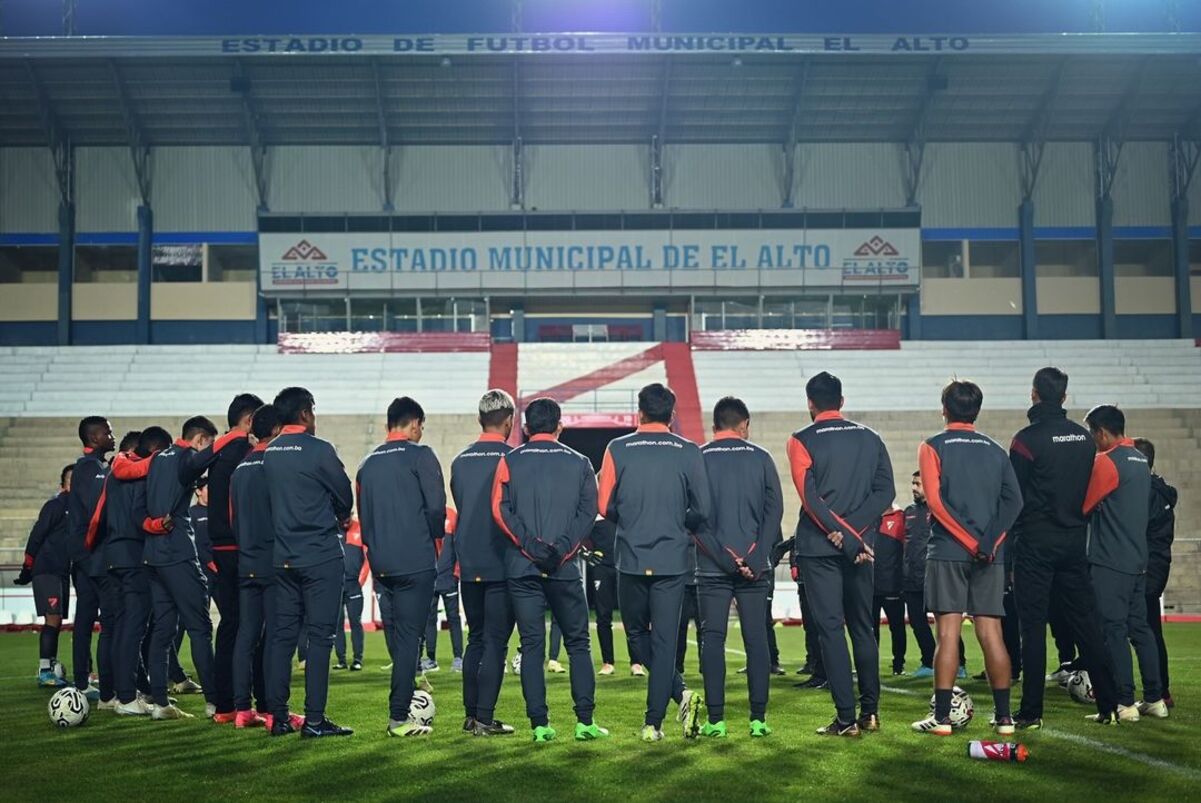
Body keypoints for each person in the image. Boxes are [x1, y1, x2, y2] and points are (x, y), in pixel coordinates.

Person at [598, 383, 710, 742]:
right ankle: (658, 719)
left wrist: (631, 518)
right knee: (664, 641)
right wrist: (677, 523)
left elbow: (604, 506)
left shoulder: (617, 447)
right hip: (673, 559)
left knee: (635, 635)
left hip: (630, 556)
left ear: (640, 413)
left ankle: (662, 713)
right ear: (672, 415)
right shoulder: (689, 450)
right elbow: (703, 510)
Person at [1008, 367, 1119, 729]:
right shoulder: (1083, 439)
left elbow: (1016, 498)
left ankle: (1031, 713)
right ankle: (1109, 705)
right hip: (1074, 543)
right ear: (1065, 397)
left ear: (1034, 394)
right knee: (1088, 626)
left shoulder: (1025, 440)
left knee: (1033, 628)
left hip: (1036, 544)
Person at [911, 380, 1022, 737]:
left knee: (947, 634)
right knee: (992, 633)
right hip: (990, 554)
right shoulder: (995, 449)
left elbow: (935, 502)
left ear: (945, 408)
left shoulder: (932, 446)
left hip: (947, 551)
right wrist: (988, 543)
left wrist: (968, 541)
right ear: (977, 409)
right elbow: (1014, 504)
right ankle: (1004, 718)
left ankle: (942, 718)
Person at [492, 397, 606, 743]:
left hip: (522, 566)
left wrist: (531, 546)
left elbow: (500, 510)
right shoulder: (581, 462)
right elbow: (589, 512)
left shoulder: (509, 459)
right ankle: (585, 722)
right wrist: (560, 550)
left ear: (526, 428)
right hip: (564, 568)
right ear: (560, 426)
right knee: (578, 645)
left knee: (531, 645)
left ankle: (540, 725)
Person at [786, 372, 894, 737]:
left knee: (831, 630)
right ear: (842, 401)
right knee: (863, 628)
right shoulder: (871, 438)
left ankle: (846, 719)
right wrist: (856, 535)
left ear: (810, 403)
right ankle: (871, 713)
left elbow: (810, 500)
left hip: (820, 548)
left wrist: (843, 536)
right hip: (862, 548)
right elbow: (885, 493)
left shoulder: (801, 440)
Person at [263, 387, 355, 738]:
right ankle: (314, 721)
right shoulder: (319, 450)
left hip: (283, 557)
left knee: (282, 638)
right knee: (320, 638)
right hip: (319, 555)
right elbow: (344, 494)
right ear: (305, 413)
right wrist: (339, 515)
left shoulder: (270, 453)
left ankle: (280, 718)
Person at [693, 396, 783, 739]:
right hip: (754, 567)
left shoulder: (697, 457)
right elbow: (772, 513)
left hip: (713, 566)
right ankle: (757, 719)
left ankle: (716, 720)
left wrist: (726, 559)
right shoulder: (761, 457)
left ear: (715, 424)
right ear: (743, 424)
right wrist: (756, 558)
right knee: (756, 640)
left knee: (712, 639)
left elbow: (694, 521)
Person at [143, 416, 242, 720]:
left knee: (162, 629)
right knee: (200, 628)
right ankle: (215, 702)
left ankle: (159, 702)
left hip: (153, 554)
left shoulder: (158, 459)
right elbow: (206, 460)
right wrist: (235, 436)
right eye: (208, 444)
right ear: (200, 440)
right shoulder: (187, 457)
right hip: (178, 552)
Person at [357, 396, 444, 737]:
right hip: (415, 559)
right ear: (413, 424)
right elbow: (436, 509)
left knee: (398, 635)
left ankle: (403, 701)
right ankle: (398, 718)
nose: (421, 432)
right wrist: (434, 539)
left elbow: (364, 516)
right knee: (410, 638)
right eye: (421, 426)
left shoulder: (367, 464)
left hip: (381, 562)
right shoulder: (421, 456)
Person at [1083, 406, 1166, 721]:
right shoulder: (1140, 461)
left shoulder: (1107, 461)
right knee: (1140, 629)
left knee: (1114, 630)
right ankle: (1155, 698)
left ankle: (1124, 702)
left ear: (1102, 432)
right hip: (1137, 559)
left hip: (1110, 561)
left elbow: (1084, 505)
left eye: (1092, 433)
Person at [450, 389, 518, 736]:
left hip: (469, 563)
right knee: (495, 642)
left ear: (480, 419)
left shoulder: (460, 461)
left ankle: (471, 714)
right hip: (502, 563)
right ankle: (485, 718)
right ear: (510, 421)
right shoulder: (515, 458)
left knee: (475, 638)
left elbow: (462, 506)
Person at [230, 404, 292, 730]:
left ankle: (242, 710)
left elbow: (233, 518)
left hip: (246, 561)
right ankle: (270, 709)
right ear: (279, 429)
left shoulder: (240, 468)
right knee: (275, 638)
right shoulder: (275, 463)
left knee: (247, 634)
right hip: (273, 561)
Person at [205, 394, 262, 723]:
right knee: (251, 629)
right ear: (251, 419)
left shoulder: (217, 453)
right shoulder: (245, 452)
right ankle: (253, 704)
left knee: (230, 627)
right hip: (242, 549)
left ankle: (224, 705)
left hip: (220, 549)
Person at [102, 429, 159, 716]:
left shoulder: (113, 477)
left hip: (112, 555)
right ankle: (126, 698)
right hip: (134, 555)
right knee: (133, 629)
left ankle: (122, 692)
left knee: (122, 627)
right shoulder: (140, 476)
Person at [16, 465, 74, 687]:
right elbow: (37, 534)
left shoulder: (77, 508)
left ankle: (50, 664)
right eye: (72, 481)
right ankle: (44, 670)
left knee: (58, 619)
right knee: (53, 618)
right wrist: (28, 566)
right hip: (48, 568)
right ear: (64, 485)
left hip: (61, 571)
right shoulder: (56, 505)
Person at [1134, 437, 1176, 709]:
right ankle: (1162, 691)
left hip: (1144, 567)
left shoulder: (1143, 492)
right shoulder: (1161, 491)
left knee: (1142, 630)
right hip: (1158, 565)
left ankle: (1155, 692)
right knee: (1150, 629)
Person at [902, 472, 936, 678]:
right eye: (913, 483)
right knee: (916, 621)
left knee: (944, 622)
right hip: (911, 579)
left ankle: (959, 664)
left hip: (932, 577)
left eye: (918, 484)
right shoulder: (909, 512)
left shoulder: (939, 509)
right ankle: (929, 661)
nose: (914, 487)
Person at [422, 511, 463, 673]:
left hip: (449, 577)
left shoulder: (453, 516)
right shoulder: (426, 514)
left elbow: (460, 545)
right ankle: (431, 659)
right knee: (429, 619)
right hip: (430, 577)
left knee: (453, 618)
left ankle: (458, 658)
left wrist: (456, 573)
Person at [873, 508, 908, 676]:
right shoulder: (868, 515)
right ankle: (870, 664)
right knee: (870, 628)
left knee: (897, 627)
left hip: (892, 584)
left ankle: (898, 665)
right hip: (869, 585)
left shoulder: (900, 518)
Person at [586, 516, 623, 676]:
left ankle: (636, 663)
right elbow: (580, 535)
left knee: (632, 616)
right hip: (601, 568)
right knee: (603, 615)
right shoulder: (593, 510)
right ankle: (608, 662)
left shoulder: (621, 509)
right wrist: (587, 553)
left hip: (624, 566)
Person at [334, 518, 369, 672]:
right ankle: (341, 660)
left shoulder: (360, 529)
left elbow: (367, 560)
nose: (346, 520)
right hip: (336, 586)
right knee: (337, 623)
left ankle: (357, 659)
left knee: (356, 622)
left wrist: (360, 581)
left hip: (354, 585)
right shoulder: (333, 530)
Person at [674, 546, 703, 675]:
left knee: (703, 627)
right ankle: (677, 666)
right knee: (680, 626)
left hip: (701, 580)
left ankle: (706, 665)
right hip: (682, 581)